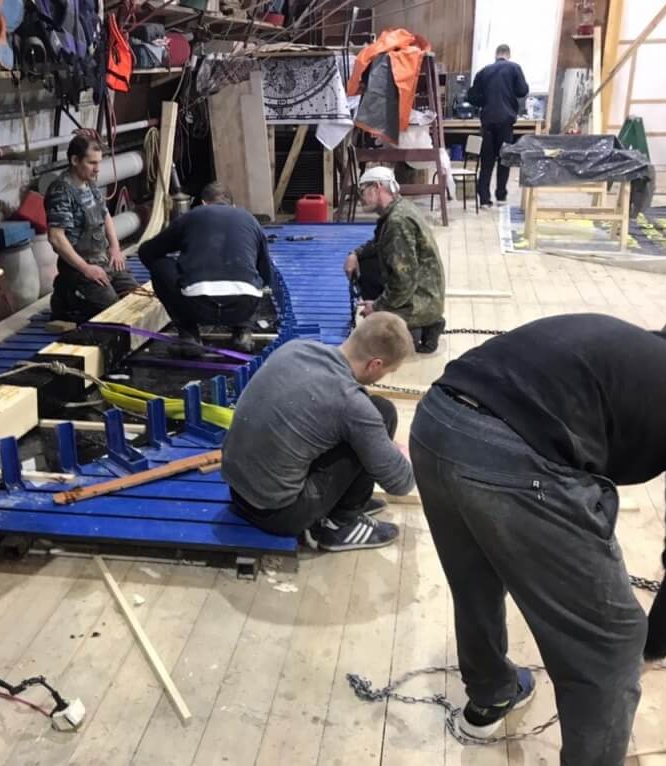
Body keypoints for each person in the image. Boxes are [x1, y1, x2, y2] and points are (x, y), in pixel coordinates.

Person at [409, 312, 666, 764]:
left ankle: (490, 693)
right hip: (513, 456)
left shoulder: (612, 347)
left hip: (435, 422)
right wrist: (651, 646)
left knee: (475, 579)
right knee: (612, 647)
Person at [222, 312, 416, 551]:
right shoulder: (350, 402)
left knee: (369, 419)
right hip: (277, 513)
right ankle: (339, 525)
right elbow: (401, 483)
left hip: (237, 491)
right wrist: (403, 454)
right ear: (375, 364)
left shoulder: (296, 348)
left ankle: (340, 502)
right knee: (382, 413)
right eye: (387, 370)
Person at [138, 182, 271, 354]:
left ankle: (190, 337)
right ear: (233, 205)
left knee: (160, 266)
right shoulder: (250, 220)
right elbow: (266, 274)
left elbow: (148, 252)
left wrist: (182, 268)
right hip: (243, 306)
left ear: (203, 203)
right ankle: (243, 333)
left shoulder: (193, 216)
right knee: (249, 277)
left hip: (198, 305)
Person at [342, 166, 446, 354]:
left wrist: (377, 307)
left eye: (363, 191)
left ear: (377, 187)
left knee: (375, 330)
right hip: (426, 292)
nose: (361, 198)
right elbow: (378, 244)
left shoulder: (397, 222)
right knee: (366, 263)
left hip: (422, 300)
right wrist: (355, 254)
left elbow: (404, 282)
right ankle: (418, 321)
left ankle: (423, 323)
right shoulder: (400, 208)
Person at [45, 135, 139, 323]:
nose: (97, 169)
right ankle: (66, 296)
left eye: (99, 162)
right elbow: (56, 238)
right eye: (92, 163)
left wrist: (115, 248)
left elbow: (105, 215)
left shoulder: (90, 184)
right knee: (111, 311)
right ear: (74, 160)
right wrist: (85, 268)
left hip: (102, 259)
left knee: (134, 298)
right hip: (78, 266)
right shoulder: (61, 191)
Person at [468, 44, 529, 207]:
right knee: (504, 159)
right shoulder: (514, 68)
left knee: (487, 160)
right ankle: (501, 197)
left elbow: (472, 97)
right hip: (505, 121)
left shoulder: (483, 71)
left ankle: (484, 199)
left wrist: (485, 101)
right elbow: (522, 91)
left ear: (496, 55)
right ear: (508, 55)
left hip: (488, 120)